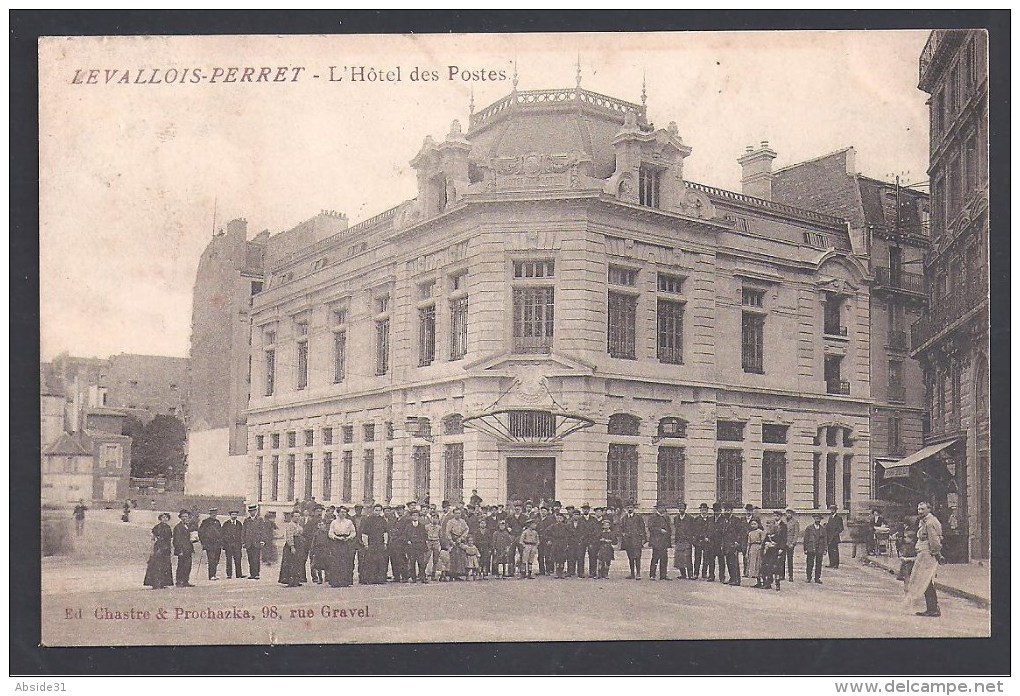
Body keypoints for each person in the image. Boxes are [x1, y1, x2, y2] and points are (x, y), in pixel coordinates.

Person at [905, 501, 944, 617]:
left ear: (929, 510)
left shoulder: (930, 522)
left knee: (925, 581)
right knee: (926, 581)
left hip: (928, 555)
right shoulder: (924, 522)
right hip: (923, 554)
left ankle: (933, 609)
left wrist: (936, 554)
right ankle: (932, 608)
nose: (920, 511)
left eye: (922, 509)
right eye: (919, 509)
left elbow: (935, 542)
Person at [328, 506, 358, 587]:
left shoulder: (349, 522)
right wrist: (337, 537)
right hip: (337, 542)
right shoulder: (334, 522)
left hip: (346, 542)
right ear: (338, 513)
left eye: (345, 512)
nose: (343, 514)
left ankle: (345, 581)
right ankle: (336, 581)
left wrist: (348, 537)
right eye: (341, 512)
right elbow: (330, 533)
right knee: (336, 561)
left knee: (345, 561)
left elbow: (353, 532)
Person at [360, 504, 389, 584]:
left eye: (379, 510)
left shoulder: (382, 520)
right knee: (370, 561)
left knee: (380, 561)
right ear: (373, 510)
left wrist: (385, 542)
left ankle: (380, 579)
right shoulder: (368, 520)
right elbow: (365, 533)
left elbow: (385, 532)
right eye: (376, 510)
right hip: (371, 543)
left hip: (380, 543)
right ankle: (370, 579)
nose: (377, 512)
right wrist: (366, 544)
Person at [143, 512, 174, 589]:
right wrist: (152, 550)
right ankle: (156, 583)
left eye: (166, 517)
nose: (165, 519)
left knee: (165, 566)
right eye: (163, 517)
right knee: (157, 566)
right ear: (160, 518)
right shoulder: (157, 527)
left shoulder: (168, 528)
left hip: (166, 548)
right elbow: (153, 538)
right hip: (159, 547)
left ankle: (163, 583)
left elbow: (169, 539)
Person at [620, 502, 647, 580]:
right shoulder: (624, 518)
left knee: (637, 557)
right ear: (626, 509)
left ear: (634, 508)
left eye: (631, 507)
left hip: (637, 540)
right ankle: (632, 573)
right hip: (628, 541)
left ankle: (638, 573)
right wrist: (623, 534)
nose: (629, 509)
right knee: (630, 557)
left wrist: (644, 539)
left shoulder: (638, 517)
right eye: (628, 508)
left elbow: (643, 528)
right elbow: (621, 528)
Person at [242, 504, 269, 580]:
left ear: (256, 511)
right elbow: (243, 531)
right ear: (249, 512)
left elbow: (263, 531)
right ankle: (252, 574)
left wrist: (263, 540)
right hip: (249, 543)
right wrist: (243, 542)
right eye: (250, 511)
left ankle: (256, 573)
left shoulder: (260, 520)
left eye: (253, 511)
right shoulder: (246, 520)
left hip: (257, 542)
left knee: (256, 558)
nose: (252, 512)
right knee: (250, 559)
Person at [278, 512, 304, 587]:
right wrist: (292, 546)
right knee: (290, 563)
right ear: (292, 517)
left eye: (298, 516)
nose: (297, 518)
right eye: (295, 516)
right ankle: (289, 580)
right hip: (291, 545)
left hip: (299, 545)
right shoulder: (290, 525)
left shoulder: (298, 525)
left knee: (297, 562)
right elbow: (289, 536)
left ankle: (296, 580)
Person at [647, 503, 672, 581]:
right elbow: (651, 528)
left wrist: (668, 536)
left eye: (664, 507)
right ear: (657, 508)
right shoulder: (652, 517)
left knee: (664, 558)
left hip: (664, 541)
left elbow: (669, 528)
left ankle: (663, 575)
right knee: (655, 558)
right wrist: (659, 530)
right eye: (661, 507)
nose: (663, 509)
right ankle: (652, 575)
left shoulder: (666, 517)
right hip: (656, 541)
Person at [761, 514, 786, 591]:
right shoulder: (767, 535)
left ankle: (777, 584)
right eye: (767, 525)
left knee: (775, 569)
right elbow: (764, 543)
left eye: (770, 525)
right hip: (768, 553)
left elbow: (781, 543)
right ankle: (768, 583)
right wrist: (765, 546)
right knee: (766, 568)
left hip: (775, 553)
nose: (768, 527)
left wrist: (777, 547)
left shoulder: (778, 535)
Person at [197, 508, 223, 581]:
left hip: (217, 545)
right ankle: (211, 575)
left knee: (216, 560)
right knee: (211, 560)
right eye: (212, 514)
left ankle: (214, 574)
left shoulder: (217, 522)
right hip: (209, 545)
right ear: (210, 514)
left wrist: (221, 542)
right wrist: (203, 543)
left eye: (215, 513)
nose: (214, 515)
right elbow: (201, 533)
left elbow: (220, 533)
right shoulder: (205, 522)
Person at [172, 509, 196, 587]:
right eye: (183, 516)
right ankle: (179, 581)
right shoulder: (178, 527)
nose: (185, 518)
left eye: (186, 516)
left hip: (188, 549)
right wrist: (179, 550)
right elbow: (176, 540)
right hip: (182, 549)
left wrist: (195, 539)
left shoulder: (188, 526)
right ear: (180, 517)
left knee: (188, 565)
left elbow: (191, 538)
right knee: (181, 565)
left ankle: (186, 581)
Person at [720, 503, 742, 586]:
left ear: (731, 511)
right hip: (726, 544)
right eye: (725, 510)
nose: (726, 512)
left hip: (733, 544)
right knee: (729, 562)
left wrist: (737, 541)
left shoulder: (736, 520)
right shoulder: (724, 520)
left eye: (728, 510)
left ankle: (737, 580)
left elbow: (740, 532)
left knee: (734, 562)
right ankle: (732, 578)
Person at [673, 502, 695, 580]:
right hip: (679, 541)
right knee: (679, 558)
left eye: (682, 508)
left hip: (687, 540)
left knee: (687, 558)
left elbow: (693, 530)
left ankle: (690, 574)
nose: (681, 509)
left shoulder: (690, 518)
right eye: (679, 508)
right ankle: (683, 574)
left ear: (685, 509)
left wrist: (690, 539)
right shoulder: (676, 518)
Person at [447, 507, 470, 581]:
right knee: (453, 558)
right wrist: (451, 541)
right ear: (453, 514)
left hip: (460, 540)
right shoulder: (450, 522)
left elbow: (467, 529)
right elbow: (447, 532)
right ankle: (451, 575)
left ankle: (458, 574)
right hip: (453, 540)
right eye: (456, 513)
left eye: (459, 513)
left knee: (461, 558)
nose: (458, 515)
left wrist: (462, 537)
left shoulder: (462, 521)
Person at [406, 509, 429, 583]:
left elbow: (425, 536)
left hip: (419, 547)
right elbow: (405, 535)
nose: (415, 517)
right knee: (412, 563)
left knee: (421, 563)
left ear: (419, 517)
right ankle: (413, 578)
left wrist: (423, 543)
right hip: (411, 546)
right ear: (411, 517)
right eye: (413, 515)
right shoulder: (408, 526)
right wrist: (408, 541)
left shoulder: (422, 526)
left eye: (416, 515)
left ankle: (422, 577)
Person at [221, 510, 244, 579]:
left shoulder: (239, 524)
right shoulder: (226, 524)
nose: (234, 516)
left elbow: (241, 534)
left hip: (237, 545)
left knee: (238, 559)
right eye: (233, 515)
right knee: (229, 560)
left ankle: (239, 574)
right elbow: (223, 534)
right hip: (228, 545)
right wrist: (224, 543)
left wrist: (241, 543)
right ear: (230, 515)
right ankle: (229, 574)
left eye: (235, 515)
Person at [803, 513, 826, 583]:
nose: (817, 520)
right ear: (814, 519)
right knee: (810, 563)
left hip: (820, 548)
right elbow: (805, 539)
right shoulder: (809, 528)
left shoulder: (823, 529)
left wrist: (825, 549)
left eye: (819, 519)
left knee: (819, 564)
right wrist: (805, 548)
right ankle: (808, 577)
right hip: (811, 547)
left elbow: (825, 540)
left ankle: (817, 578)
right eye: (816, 518)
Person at [692, 503, 712, 580]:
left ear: (707, 510)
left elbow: (711, 530)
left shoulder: (710, 520)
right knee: (697, 558)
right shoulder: (696, 519)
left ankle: (704, 573)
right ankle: (696, 573)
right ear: (700, 510)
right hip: (699, 542)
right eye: (702, 510)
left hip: (707, 542)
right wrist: (700, 538)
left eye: (705, 510)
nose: (704, 511)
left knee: (706, 558)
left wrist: (708, 537)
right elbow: (695, 531)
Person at [746, 518, 766, 587]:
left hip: (758, 548)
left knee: (759, 565)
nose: (753, 525)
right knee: (753, 565)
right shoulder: (750, 533)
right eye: (752, 524)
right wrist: (747, 552)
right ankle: (758, 581)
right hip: (752, 548)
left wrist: (761, 548)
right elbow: (748, 543)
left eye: (755, 524)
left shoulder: (760, 532)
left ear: (758, 524)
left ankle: (763, 581)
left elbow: (763, 541)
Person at [309, 520, 330, 584]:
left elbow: (330, 542)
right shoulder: (316, 534)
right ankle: (320, 578)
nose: (321, 526)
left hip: (326, 550)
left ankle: (328, 577)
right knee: (318, 566)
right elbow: (313, 543)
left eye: (322, 525)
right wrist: (312, 551)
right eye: (320, 525)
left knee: (327, 564)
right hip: (318, 551)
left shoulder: (327, 533)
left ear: (325, 525)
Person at [783, 509, 800, 582]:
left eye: (790, 513)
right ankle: (781, 575)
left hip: (790, 543)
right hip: (783, 543)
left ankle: (790, 576)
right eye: (787, 513)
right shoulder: (783, 522)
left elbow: (796, 533)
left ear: (792, 514)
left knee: (790, 560)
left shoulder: (795, 522)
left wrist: (793, 543)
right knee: (781, 560)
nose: (788, 514)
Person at [825, 504, 844, 568]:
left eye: (833, 509)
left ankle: (836, 564)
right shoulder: (830, 518)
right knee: (830, 550)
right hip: (829, 537)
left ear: (835, 510)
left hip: (835, 537)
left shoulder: (839, 518)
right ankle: (831, 563)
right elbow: (829, 527)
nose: (832, 511)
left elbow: (841, 528)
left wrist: (835, 534)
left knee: (835, 550)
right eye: (831, 509)